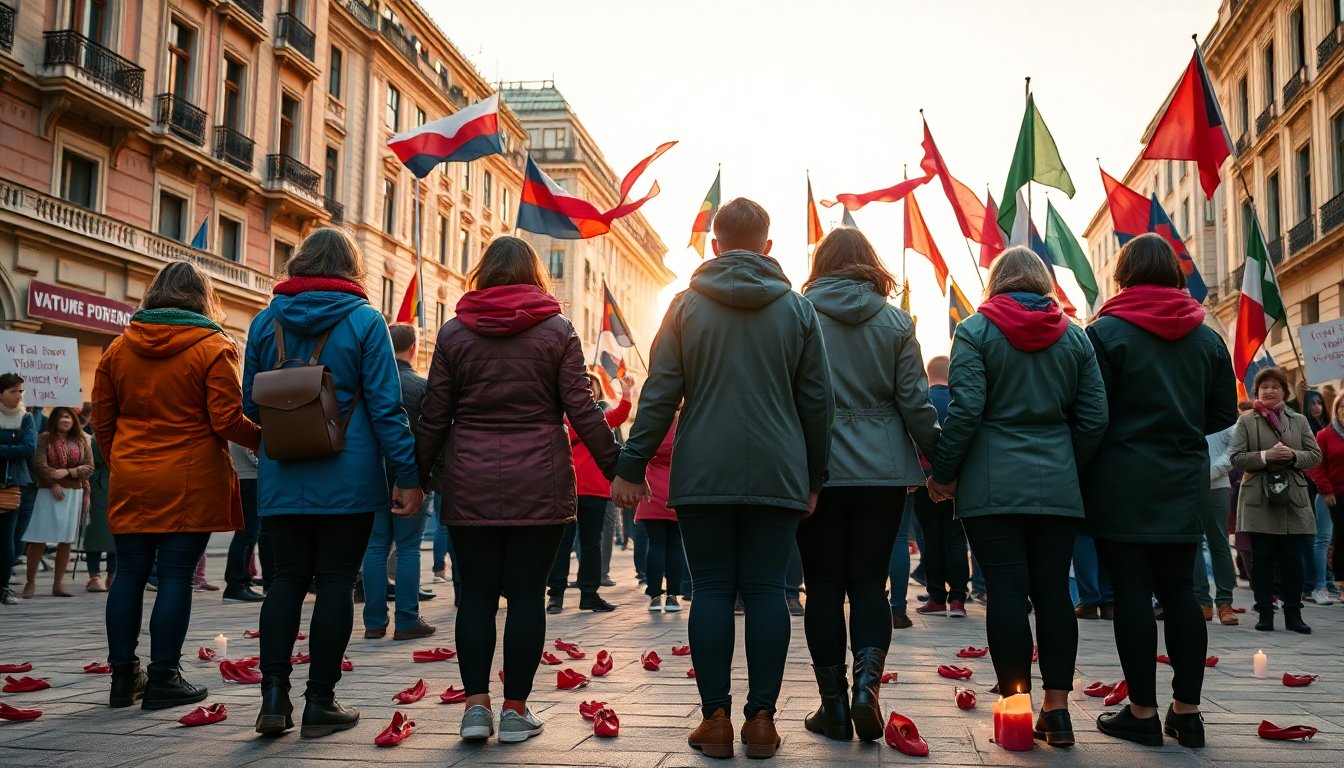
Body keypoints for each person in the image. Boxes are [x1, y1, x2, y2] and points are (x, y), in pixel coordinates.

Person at [611, 198, 833, 760]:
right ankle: (761, 720)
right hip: (779, 470)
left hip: (704, 469)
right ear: (768, 246)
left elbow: (659, 394)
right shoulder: (799, 310)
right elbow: (817, 402)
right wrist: (815, 474)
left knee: (710, 589)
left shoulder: (685, 306)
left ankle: (714, 719)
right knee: (767, 591)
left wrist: (632, 465)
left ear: (714, 246)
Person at [417, 235, 620, 745]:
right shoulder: (557, 331)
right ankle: (514, 711)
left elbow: (434, 416)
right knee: (528, 595)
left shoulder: (454, 334)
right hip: (540, 482)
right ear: (536, 275)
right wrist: (619, 467)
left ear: (482, 272)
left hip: (471, 482)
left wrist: (411, 477)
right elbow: (583, 409)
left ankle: (475, 708)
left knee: (477, 598)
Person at [243, 228, 423, 738]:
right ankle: (320, 699)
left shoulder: (264, 321)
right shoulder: (366, 322)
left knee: (285, 582)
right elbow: (387, 409)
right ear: (351, 269)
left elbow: (249, 405)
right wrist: (407, 475)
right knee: (337, 584)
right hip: (348, 476)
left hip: (281, 476)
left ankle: (273, 696)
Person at [929, 246, 1108, 748]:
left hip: (991, 484)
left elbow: (965, 412)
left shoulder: (975, 330)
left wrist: (943, 474)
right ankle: (1058, 711)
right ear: (1044, 282)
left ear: (995, 283)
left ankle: (1016, 708)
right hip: (1057, 481)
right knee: (1053, 591)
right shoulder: (1075, 335)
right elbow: (1094, 418)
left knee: (1006, 591)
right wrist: (1065, 461)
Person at [1080, 234, 1238, 748]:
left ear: (1123, 274)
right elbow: (1223, 414)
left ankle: (1143, 713)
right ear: (1174, 273)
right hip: (1182, 477)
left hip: (1122, 477)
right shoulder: (1207, 335)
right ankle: (1187, 714)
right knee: (1181, 593)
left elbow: (1092, 411)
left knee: (1130, 592)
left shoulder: (1104, 332)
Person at [93, 261, 261, 710]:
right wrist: (266, 440)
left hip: (132, 474)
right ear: (203, 298)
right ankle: (165, 675)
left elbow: (102, 422)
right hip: (190, 477)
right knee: (175, 577)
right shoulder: (213, 346)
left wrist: (122, 462)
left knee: (128, 574)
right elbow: (225, 419)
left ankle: (123, 678)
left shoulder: (117, 348)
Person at [796, 227, 939, 742]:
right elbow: (915, 404)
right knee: (869, 584)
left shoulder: (799, 312)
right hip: (882, 471)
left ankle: (832, 705)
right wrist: (942, 462)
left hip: (817, 469)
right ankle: (866, 689)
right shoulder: (896, 321)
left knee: (824, 586)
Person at [1230, 366, 1322, 634]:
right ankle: (1265, 613)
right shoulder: (1247, 421)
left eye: (1275, 386)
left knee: (1293, 558)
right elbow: (1236, 457)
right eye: (1264, 387)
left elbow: (1314, 456)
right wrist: (1265, 456)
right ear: (1257, 392)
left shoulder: (1299, 420)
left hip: (1292, 497)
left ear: (1285, 390)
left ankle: (1294, 614)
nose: (1269, 390)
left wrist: (1292, 456)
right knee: (1263, 558)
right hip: (1259, 495)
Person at [360, 323, 436, 641]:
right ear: (414, 348)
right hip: (411, 476)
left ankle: (374, 622)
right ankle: (406, 620)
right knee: (408, 549)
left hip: (372, 473)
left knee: (375, 548)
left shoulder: (367, 383)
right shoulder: (422, 386)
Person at [545, 373, 632, 614]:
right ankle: (576, 594)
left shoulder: (568, 418)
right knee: (577, 543)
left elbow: (620, 415)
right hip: (573, 488)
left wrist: (626, 394)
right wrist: (625, 395)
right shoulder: (571, 418)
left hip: (580, 488)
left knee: (580, 543)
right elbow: (617, 416)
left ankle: (565, 596)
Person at [908, 355, 967, 619]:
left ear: (929, 374)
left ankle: (936, 598)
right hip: (958, 481)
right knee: (956, 540)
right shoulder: (960, 400)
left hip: (925, 481)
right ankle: (957, 600)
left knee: (931, 540)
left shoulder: (922, 401)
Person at [20, 406, 93, 598]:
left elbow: (89, 466)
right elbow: (39, 464)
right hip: (47, 493)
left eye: (68, 416)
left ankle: (58, 584)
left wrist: (70, 472)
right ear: (55, 420)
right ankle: (30, 582)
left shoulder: (81, 439)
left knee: (66, 540)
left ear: (74, 420)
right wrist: (52, 482)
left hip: (73, 495)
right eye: (61, 417)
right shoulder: (44, 438)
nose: (65, 420)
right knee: (38, 538)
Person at [637, 413, 684, 612]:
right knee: (675, 545)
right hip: (677, 488)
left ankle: (655, 595)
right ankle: (673, 596)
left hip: (652, 490)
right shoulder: (683, 421)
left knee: (655, 545)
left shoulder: (652, 420)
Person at [0, 373, 36, 606]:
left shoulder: (26, 418)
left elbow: (28, 447)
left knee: (6, 541)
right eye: (13, 391)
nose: (18, 395)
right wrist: (11, 446)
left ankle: (3, 589)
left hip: (10, 485)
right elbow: (18, 447)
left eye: (21, 391)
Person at [1199, 421, 1240, 624]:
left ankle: (1225, 602)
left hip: (1217, 486)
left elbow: (1234, 450)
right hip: (1188, 485)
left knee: (1219, 544)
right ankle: (1201, 601)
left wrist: (1211, 472)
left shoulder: (1224, 422)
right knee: (1194, 544)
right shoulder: (1186, 412)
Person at [1308, 396, 1344, 597]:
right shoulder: (1324, 434)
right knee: (1323, 540)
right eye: (1343, 406)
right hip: (1329, 496)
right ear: (1336, 408)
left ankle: (1339, 585)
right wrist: (1327, 490)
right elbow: (1315, 465)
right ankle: (1319, 586)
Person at [222, 442, 264, 603]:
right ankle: (235, 584)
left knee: (249, 534)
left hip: (246, 479)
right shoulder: (244, 427)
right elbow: (251, 454)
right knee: (247, 534)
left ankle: (242, 581)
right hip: (248, 480)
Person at [83, 416, 116, 594]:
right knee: (94, 535)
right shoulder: (93, 440)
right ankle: (94, 576)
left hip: (117, 487)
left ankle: (112, 575)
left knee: (116, 536)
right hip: (96, 489)